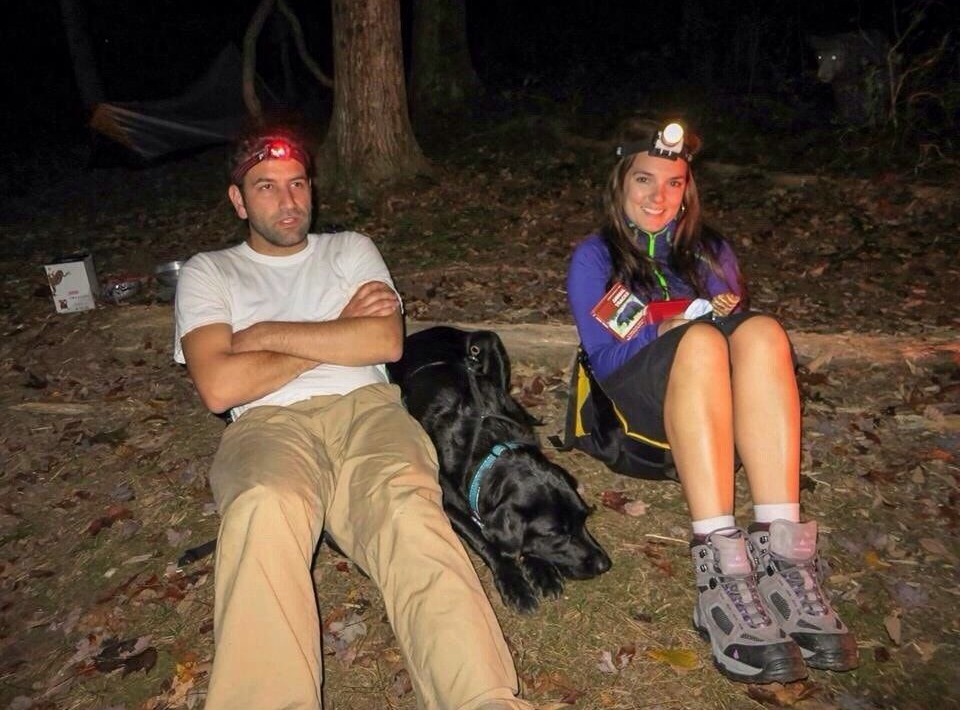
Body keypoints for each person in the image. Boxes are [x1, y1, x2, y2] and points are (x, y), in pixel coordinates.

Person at [174, 125, 533, 710]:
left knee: (406, 511)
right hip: (268, 423)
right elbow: (220, 385)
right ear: (238, 200)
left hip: (368, 411)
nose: (288, 200)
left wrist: (262, 335)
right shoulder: (209, 272)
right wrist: (337, 328)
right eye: (266, 187)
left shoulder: (349, 250)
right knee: (264, 505)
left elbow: (384, 341)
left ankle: (480, 698)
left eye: (297, 184)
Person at [565, 119, 858, 684]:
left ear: (687, 189)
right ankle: (720, 571)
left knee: (764, 332)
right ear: (620, 182)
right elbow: (604, 356)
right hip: (636, 409)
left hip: (714, 409)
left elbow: (739, 338)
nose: (659, 196)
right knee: (698, 341)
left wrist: (723, 313)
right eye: (645, 179)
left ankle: (785, 559)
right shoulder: (595, 256)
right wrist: (666, 325)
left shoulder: (710, 250)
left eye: (674, 183)